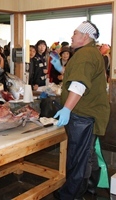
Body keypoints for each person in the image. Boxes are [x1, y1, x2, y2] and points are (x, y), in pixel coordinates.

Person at [51, 21, 110, 200]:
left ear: (85, 37)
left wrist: (67, 108)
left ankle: (71, 195)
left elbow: (79, 84)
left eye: (75, 33)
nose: (72, 36)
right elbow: (79, 75)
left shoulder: (85, 55)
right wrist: (60, 68)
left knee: (79, 158)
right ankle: (88, 190)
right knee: (88, 155)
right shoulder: (90, 53)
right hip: (89, 114)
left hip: (83, 115)